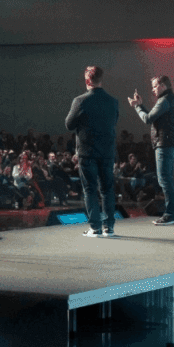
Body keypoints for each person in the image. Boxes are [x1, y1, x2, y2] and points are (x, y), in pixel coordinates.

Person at [65, 65, 119, 238]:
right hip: (107, 152)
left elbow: (69, 124)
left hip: (87, 152)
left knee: (90, 189)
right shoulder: (113, 101)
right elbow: (113, 122)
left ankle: (95, 228)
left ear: (88, 80)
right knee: (107, 190)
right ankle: (109, 227)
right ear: (101, 79)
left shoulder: (80, 101)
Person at [129, 75, 174, 225]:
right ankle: (172, 213)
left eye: (154, 86)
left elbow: (147, 119)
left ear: (163, 86)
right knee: (167, 179)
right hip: (171, 144)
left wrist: (137, 106)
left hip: (164, 144)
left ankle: (170, 214)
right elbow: (153, 117)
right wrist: (141, 105)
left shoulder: (164, 100)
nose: (152, 89)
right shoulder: (171, 99)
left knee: (164, 179)